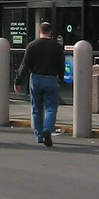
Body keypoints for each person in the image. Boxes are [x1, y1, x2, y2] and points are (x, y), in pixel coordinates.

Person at [14, 20, 65, 148]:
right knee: (51, 107)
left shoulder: (32, 46)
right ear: (51, 32)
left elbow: (24, 65)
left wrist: (18, 80)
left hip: (35, 78)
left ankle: (39, 136)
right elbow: (61, 65)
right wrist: (61, 79)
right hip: (50, 78)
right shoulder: (57, 47)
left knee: (36, 108)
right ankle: (47, 128)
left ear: (39, 31)